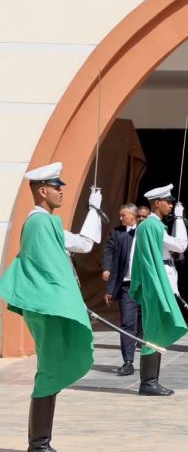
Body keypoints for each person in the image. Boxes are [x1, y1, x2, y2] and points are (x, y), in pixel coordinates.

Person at [0, 162, 103, 451]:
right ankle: (39, 443)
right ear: (42, 190)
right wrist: (74, 304)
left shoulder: (45, 223)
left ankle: (41, 442)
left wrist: (94, 210)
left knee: (52, 368)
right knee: (48, 370)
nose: (62, 191)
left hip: (50, 305)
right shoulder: (40, 223)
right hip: (48, 306)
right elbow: (52, 271)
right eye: (57, 186)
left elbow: (83, 245)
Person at [129, 184, 188, 396]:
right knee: (154, 331)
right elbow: (179, 246)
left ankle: (151, 380)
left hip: (155, 283)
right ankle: (148, 382)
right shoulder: (152, 226)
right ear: (157, 203)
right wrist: (179, 218)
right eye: (168, 202)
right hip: (155, 285)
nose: (171, 205)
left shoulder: (151, 226)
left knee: (157, 331)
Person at [102, 203, 141, 376]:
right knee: (127, 323)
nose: (120, 218)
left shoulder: (143, 232)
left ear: (133, 215)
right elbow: (109, 253)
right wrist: (107, 273)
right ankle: (128, 361)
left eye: (123, 215)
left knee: (148, 323)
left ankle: (151, 360)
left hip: (145, 286)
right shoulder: (117, 233)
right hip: (127, 286)